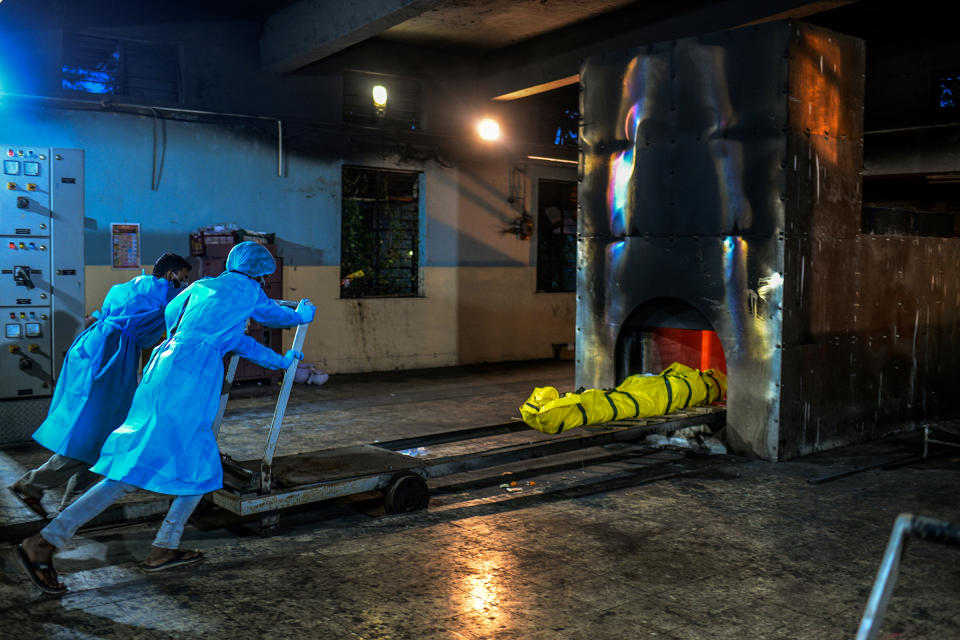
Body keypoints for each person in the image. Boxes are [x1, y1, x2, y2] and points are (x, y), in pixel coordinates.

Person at [15, 242, 316, 593]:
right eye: (265, 275)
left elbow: (225, 336)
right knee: (174, 468)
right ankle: (49, 541)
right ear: (260, 272)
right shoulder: (246, 289)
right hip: (188, 382)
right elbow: (271, 315)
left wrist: (280, 361)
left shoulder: (204, 287)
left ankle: (163, 546)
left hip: (163, 365)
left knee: (170, 466)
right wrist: (301, 315)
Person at [9, 253, 192, 519]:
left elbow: (105, 315)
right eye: (183, 279)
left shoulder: (135, 284)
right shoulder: (162, 292)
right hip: (110, 358)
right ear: (170, 274)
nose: (184, 284)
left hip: (93, 349)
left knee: (103, 431)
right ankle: (32, 485)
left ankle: (72, 503)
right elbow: (185, 311)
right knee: (95, 432)